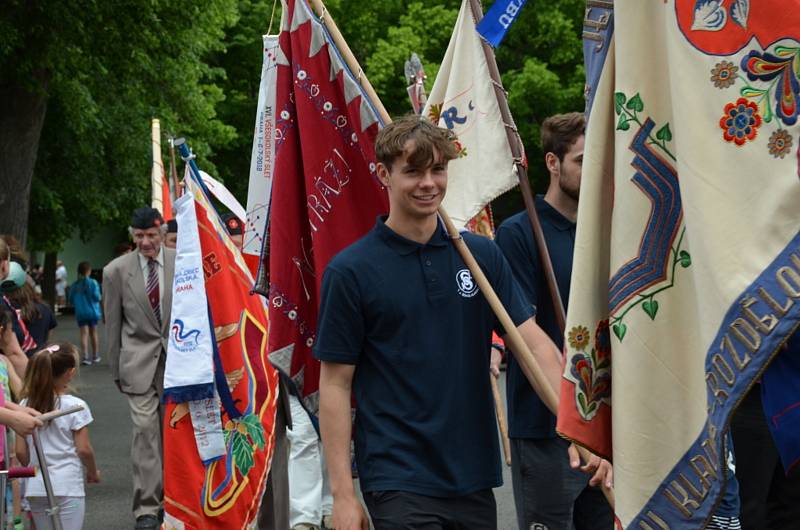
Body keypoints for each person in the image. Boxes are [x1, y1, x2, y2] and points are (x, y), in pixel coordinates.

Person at [314, 116, 577, 530]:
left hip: (472, 476)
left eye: (438, 169)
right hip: (398, 476)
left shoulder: (480, 256)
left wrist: (579, 427)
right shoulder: (351, 271)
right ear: (383, 174)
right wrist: (343, 495)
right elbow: (334, 384)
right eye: (413, 171)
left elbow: (533, 345)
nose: (429, 183)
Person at [494, 112, 613, 530]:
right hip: (546, 430)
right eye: (582, 160)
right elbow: (524, 338)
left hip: (607, 424)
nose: (592, 169)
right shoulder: (520, 233)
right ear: (552, 163)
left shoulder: (607, 231)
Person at [103, 207, 175, 530]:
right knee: (145, 433)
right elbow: (113, 325)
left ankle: (174, 502)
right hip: (138, 364)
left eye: (151, 235)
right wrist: (117, 369)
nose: (145, 242)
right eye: (139, 236)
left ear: (161, 233)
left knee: (173, 434)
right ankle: (147, 508)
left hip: (177, 363)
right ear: (132, 235)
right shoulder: (115, 272)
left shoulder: (182, 260)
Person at [16, 342, 100, 530]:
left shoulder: (24, 405)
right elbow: (83, 449)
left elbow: (21, 452)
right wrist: (93, 471)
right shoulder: (75, 406)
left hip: (37, 486)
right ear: (70, 373)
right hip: (67, 485)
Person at [287, 390, 333, 530]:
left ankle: (329, 505)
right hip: (284, 375)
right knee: (303, 433)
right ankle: (304, 517)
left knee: (328, 427)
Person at [3, 274, 57, 355]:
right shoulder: (44, 309)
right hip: (39, 359)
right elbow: (48, 337)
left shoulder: (6, 310)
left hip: (13, 360)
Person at [69, 261, 102, 365]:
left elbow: (70, 299)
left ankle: (85, 357)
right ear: (89, 271)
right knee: (94, 333)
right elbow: (97, 297)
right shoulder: (93, 283)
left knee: (84, 334)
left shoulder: (75, 285)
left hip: (81, 312)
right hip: (92, 312)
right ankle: (95, 355)